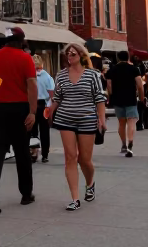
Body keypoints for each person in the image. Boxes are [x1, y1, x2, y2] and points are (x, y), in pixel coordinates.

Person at [46, 43, 107, 210]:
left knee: (84, 159)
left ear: (81, 55)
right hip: (65, 119)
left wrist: (102, 119)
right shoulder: (61, 75)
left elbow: (99, 98)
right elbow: (57, 96)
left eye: (73, 54)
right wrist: (50, 111)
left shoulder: (92, 75)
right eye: (68, 54)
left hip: (87, 119)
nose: (69, 57)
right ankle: (75, 198)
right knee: (70, 157)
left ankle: (90, 183)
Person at [0, 28, 38, 215]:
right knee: (22, 152)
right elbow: (32, 85)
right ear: (22, 40)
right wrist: (32, 111)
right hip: (20, 109)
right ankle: (26, 194)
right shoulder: (25, 58)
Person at [106, 50, 144, 157]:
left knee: (121, 122)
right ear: (128, 58)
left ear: (118, 58)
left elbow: (109, 85)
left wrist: (111, 96)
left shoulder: (112, 70)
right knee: (131, 122)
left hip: (117, 99)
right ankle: (130, 142)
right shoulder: (134, 69)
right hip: (130, 98)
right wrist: (141, 98)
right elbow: (140, 85)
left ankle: (123, 144)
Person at [28, 56, 55, 163]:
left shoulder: (29, 76)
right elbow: (52, 94)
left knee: (32, 130)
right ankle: (45, 154)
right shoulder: (47, 77)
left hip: (32, 105)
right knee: (45, 130)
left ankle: (34, 152)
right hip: (44, 105)